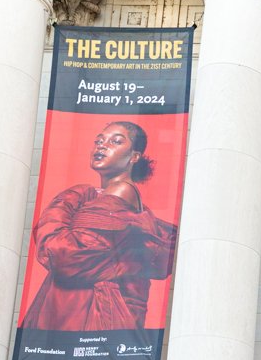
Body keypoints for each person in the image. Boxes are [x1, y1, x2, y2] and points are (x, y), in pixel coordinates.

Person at [21, 121, 176, 332]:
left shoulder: (120, 192)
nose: (102, 146)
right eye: (99, 141)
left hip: (91, 317)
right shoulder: (98, 197)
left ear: (134, 156)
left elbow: (65, 255)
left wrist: (68, 200)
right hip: (86, 314)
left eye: (116, 141)